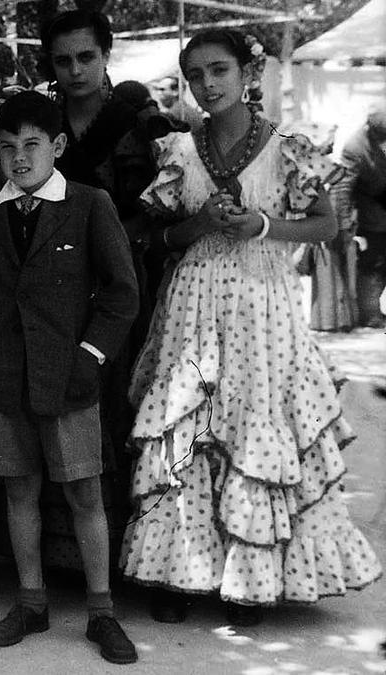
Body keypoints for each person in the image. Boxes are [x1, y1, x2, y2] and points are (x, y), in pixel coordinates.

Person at [123, 29, 382, 627]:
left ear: (249, 75)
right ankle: (179, 571)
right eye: (195, 76)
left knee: (254, 421)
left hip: (264, 306)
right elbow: (153, 236)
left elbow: (323, 224)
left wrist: (262, 225)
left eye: (219, 71)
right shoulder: (179, 152)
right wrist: (199, 225)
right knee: (187, 425)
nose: (207, 85)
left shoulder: (288, 146)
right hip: (193, 304)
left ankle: (253, 571)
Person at [0, 91, 139, 665]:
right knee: (20, 489)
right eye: (7, 149)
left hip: (70, 377)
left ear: (56, 146)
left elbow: (122, 293)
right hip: (3, 378)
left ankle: (102, 611)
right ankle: (31, 603)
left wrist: (90, 355)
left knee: (83, 491)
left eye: (32, 146)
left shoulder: (88, 204)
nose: (20, 159)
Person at [39, 9, 166, 572]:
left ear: (106, 54)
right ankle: (70, 561)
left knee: (126, 408)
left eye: (86, 56)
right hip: (57, 289)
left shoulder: (141, 119)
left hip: (127, 285)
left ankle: (141, 560)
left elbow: (167, 201)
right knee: (66, 407)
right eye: (63, 60)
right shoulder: (40, 119)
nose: (75, 69)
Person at [336, 106, 386, 328]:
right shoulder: (355, 147)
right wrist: (342, 223)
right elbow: (343, 189)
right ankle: (370, 313)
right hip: (372, 215)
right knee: (373, 263)